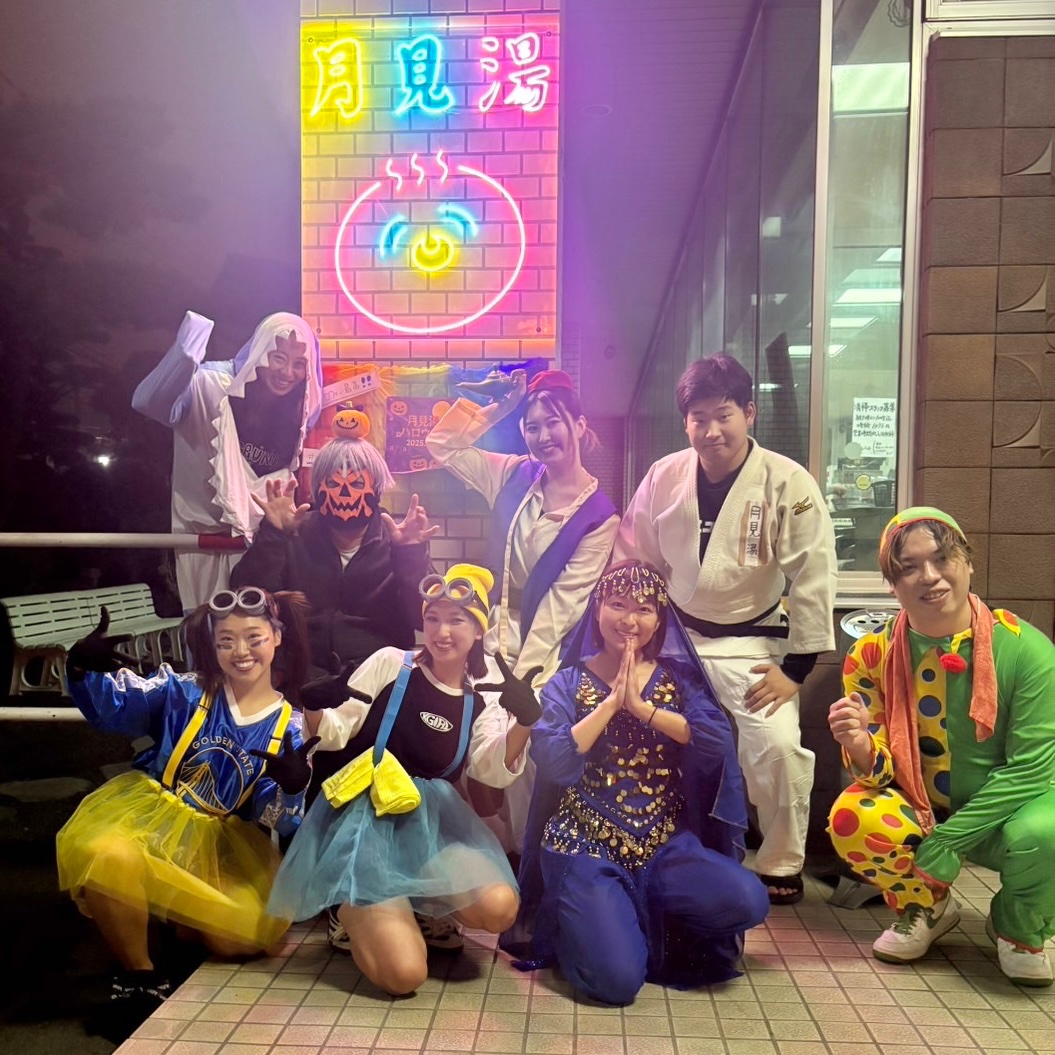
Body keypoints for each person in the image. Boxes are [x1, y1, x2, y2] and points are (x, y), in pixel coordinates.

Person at [614, 354, 837, 905]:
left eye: (724, 415)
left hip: (752, 642)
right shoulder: (664, 476)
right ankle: (648, 840)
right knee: (634, 730)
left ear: (750, 413)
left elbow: (814, 573)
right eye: (699, 418)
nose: (711, 431)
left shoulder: (787, 481)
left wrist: (796, 671)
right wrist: (631, 635)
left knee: (778, 746)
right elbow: (635, 558)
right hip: (676, 638)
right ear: (685, 422)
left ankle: (781, 860)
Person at [55, 587, 318, 1040]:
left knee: (243, 937)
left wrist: (294, 788)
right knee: (105, 855)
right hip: (149, 816)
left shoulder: (288, 725)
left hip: (219, 840)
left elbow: (280, 818)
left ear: (277, 637)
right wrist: (81, 670)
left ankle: (179, 920)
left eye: (254, 638)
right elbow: (114, 711)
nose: (241, 652)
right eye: (226, 641)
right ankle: (140, 975)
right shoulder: (182, 690)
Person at [502, 561, 769, 1004]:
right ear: (597, 609)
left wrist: (643, 709)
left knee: (747, 900)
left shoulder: (678, 678)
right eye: (618, 604)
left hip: (664, 842)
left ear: (659, 619)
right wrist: (610, 705)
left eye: (644, 609)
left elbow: (715, 740)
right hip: (584, 841)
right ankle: (585, 926)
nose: (629, 619)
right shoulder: (566, 682)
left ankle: (627, 920)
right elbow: (556, 762)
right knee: (616, 983)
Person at [267, 565, 538, 996]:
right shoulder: (391, 663)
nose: (442, 632)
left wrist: (524, 721)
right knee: (404, 975)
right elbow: (334, 731)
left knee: (500, 907)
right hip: (366, 820)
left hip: (429, 821)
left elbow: (488, 767)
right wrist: (314, 705)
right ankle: (346, 908)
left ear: (478, 629)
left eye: (457, 620)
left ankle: (420, 903)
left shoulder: (483, 692)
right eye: (433, 618)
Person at [827, 507, 1055, 986]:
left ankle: (1019, 926)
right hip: (921, 805)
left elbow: (1032, 771)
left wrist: (950, 840)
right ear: (892, 584)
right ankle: (926, 906)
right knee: (853, 815)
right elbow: (877, 773)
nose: (929, 577)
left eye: (941, 559)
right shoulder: (871, 653)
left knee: (1049, 830)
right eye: (908, 568)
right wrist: (859, 743)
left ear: (967, 561)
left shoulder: (1026, 649)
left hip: (1008, 810)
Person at [425, 369, 619, 849]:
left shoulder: (599, 516)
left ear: (579, 425)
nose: (543, 436)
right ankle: (490, 851)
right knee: (471, 743)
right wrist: (498, 407)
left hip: (545, 652)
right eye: (532, 426)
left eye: (553, 423)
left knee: (527, 750)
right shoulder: (513, 473)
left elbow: (562, 605)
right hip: (489, 639)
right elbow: (441, 445)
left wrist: (523, 678)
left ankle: (529, 856)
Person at [132, 310, 323, 611]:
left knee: (258, 626)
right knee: (208, 626)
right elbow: (149, 402)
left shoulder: (301, 408)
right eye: (278, 358)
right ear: (260, 350)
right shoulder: (212, 385)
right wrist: (186, 352)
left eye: (299, 363)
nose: (287, 372)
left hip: (264, 544)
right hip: (204, 542)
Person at [231, 411, 436, 681]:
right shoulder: (294, 534)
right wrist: (273, 536)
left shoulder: (395, 542)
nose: (344, 492)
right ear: (317, 488)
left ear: (376, 489)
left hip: (380, 678)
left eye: (358, 483)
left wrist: (410, 555)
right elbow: (247, 600)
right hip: (301, 676)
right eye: (332, 483)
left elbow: (423, 618)